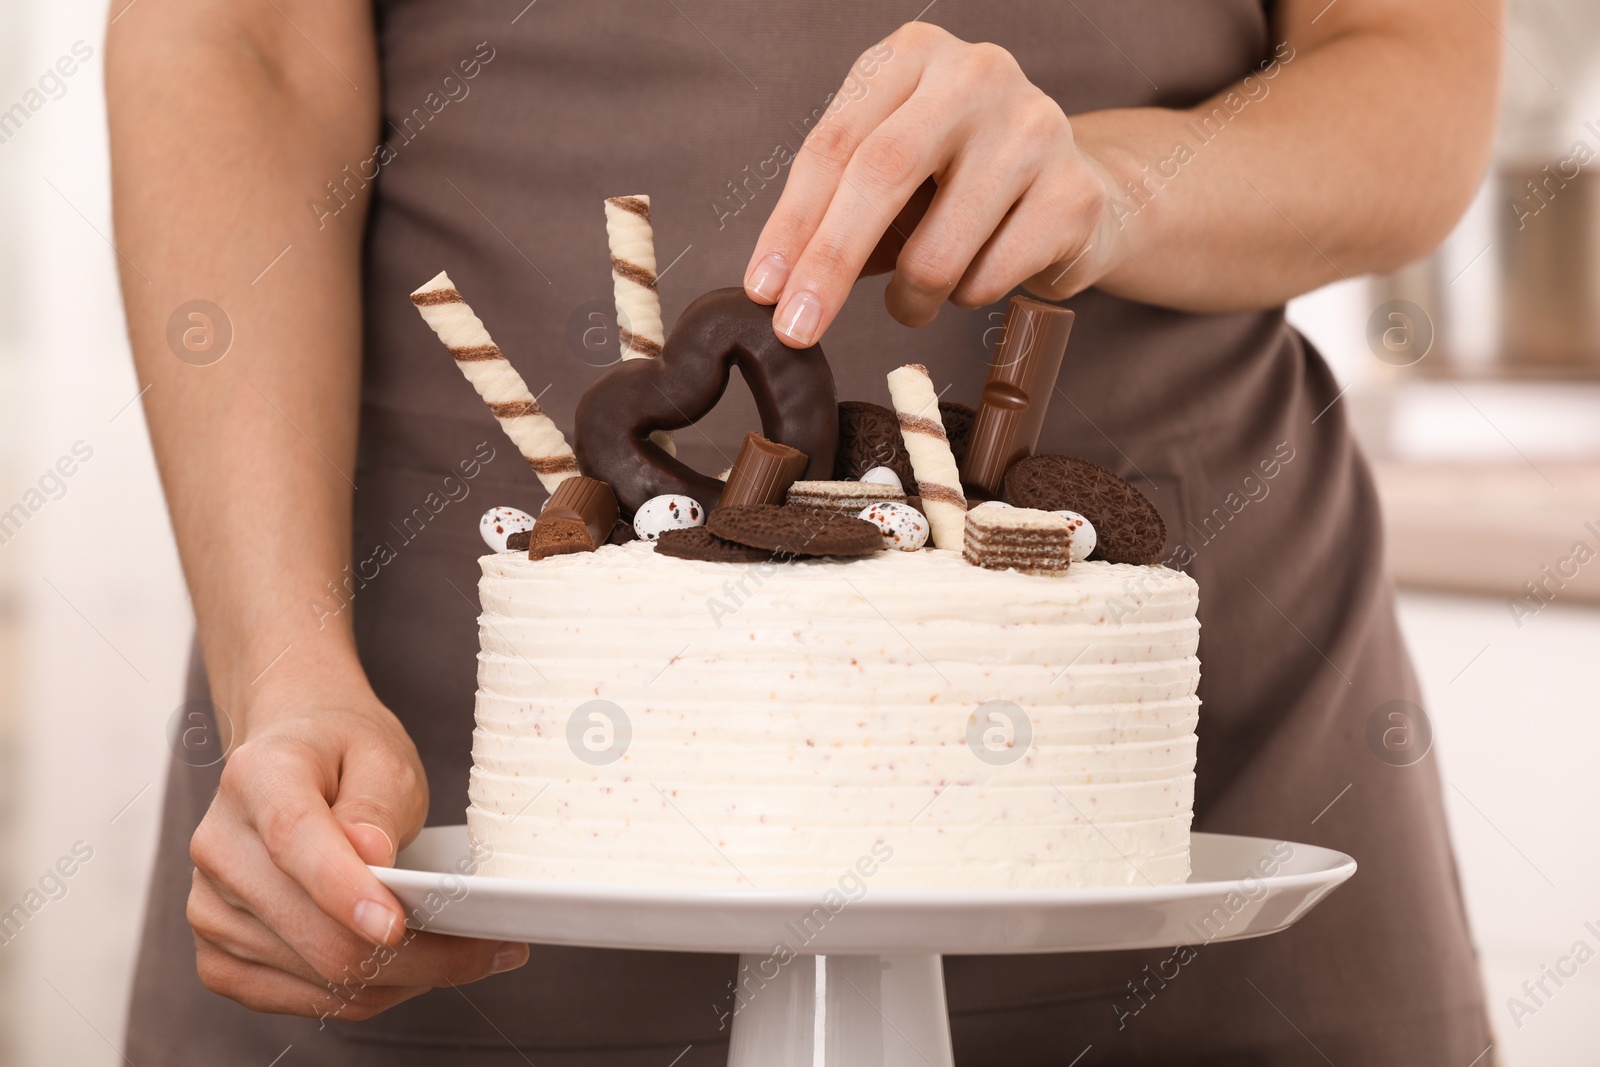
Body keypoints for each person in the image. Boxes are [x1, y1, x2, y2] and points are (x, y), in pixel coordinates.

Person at [108, 1, 1500, 1063]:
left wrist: (1118, 182)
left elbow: (1412, 72)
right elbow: (241, 51)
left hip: (1184, 778)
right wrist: (284, 670)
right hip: (441, 795)